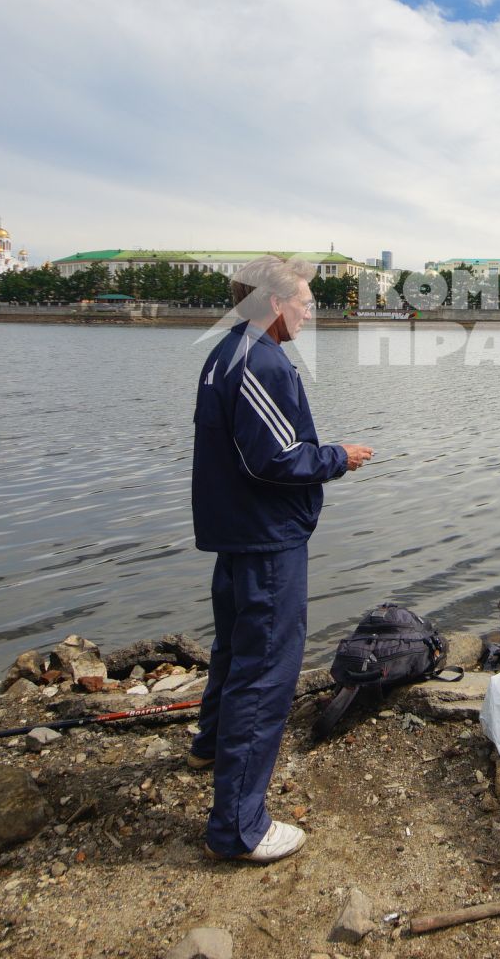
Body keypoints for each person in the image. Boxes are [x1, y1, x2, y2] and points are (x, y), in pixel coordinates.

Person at [189, 258, 373, 863]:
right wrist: (337, 456)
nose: (310, 312)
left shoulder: (227, 352)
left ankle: (212, 745)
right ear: (273, 305)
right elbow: (275, 459)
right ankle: (239, 827)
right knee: (265, 671)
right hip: (265, 539)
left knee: (233, 648)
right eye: (305, 302)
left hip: (238, 534)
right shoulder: (261, 363)